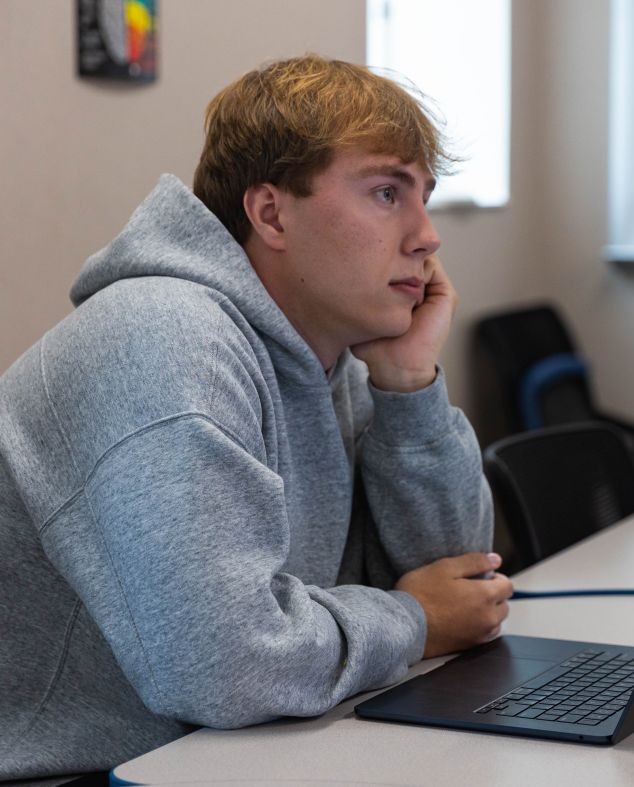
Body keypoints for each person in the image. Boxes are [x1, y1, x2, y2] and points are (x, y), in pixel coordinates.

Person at [0, 55, 512, 782]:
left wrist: (407, 385)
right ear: (271, 212)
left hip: (225, 750)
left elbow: (459, 578)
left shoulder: (326, 352)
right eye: (387, 192)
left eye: (425, 197)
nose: (427, 236)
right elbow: (224, 667)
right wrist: (414, 620)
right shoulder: (164, 338)